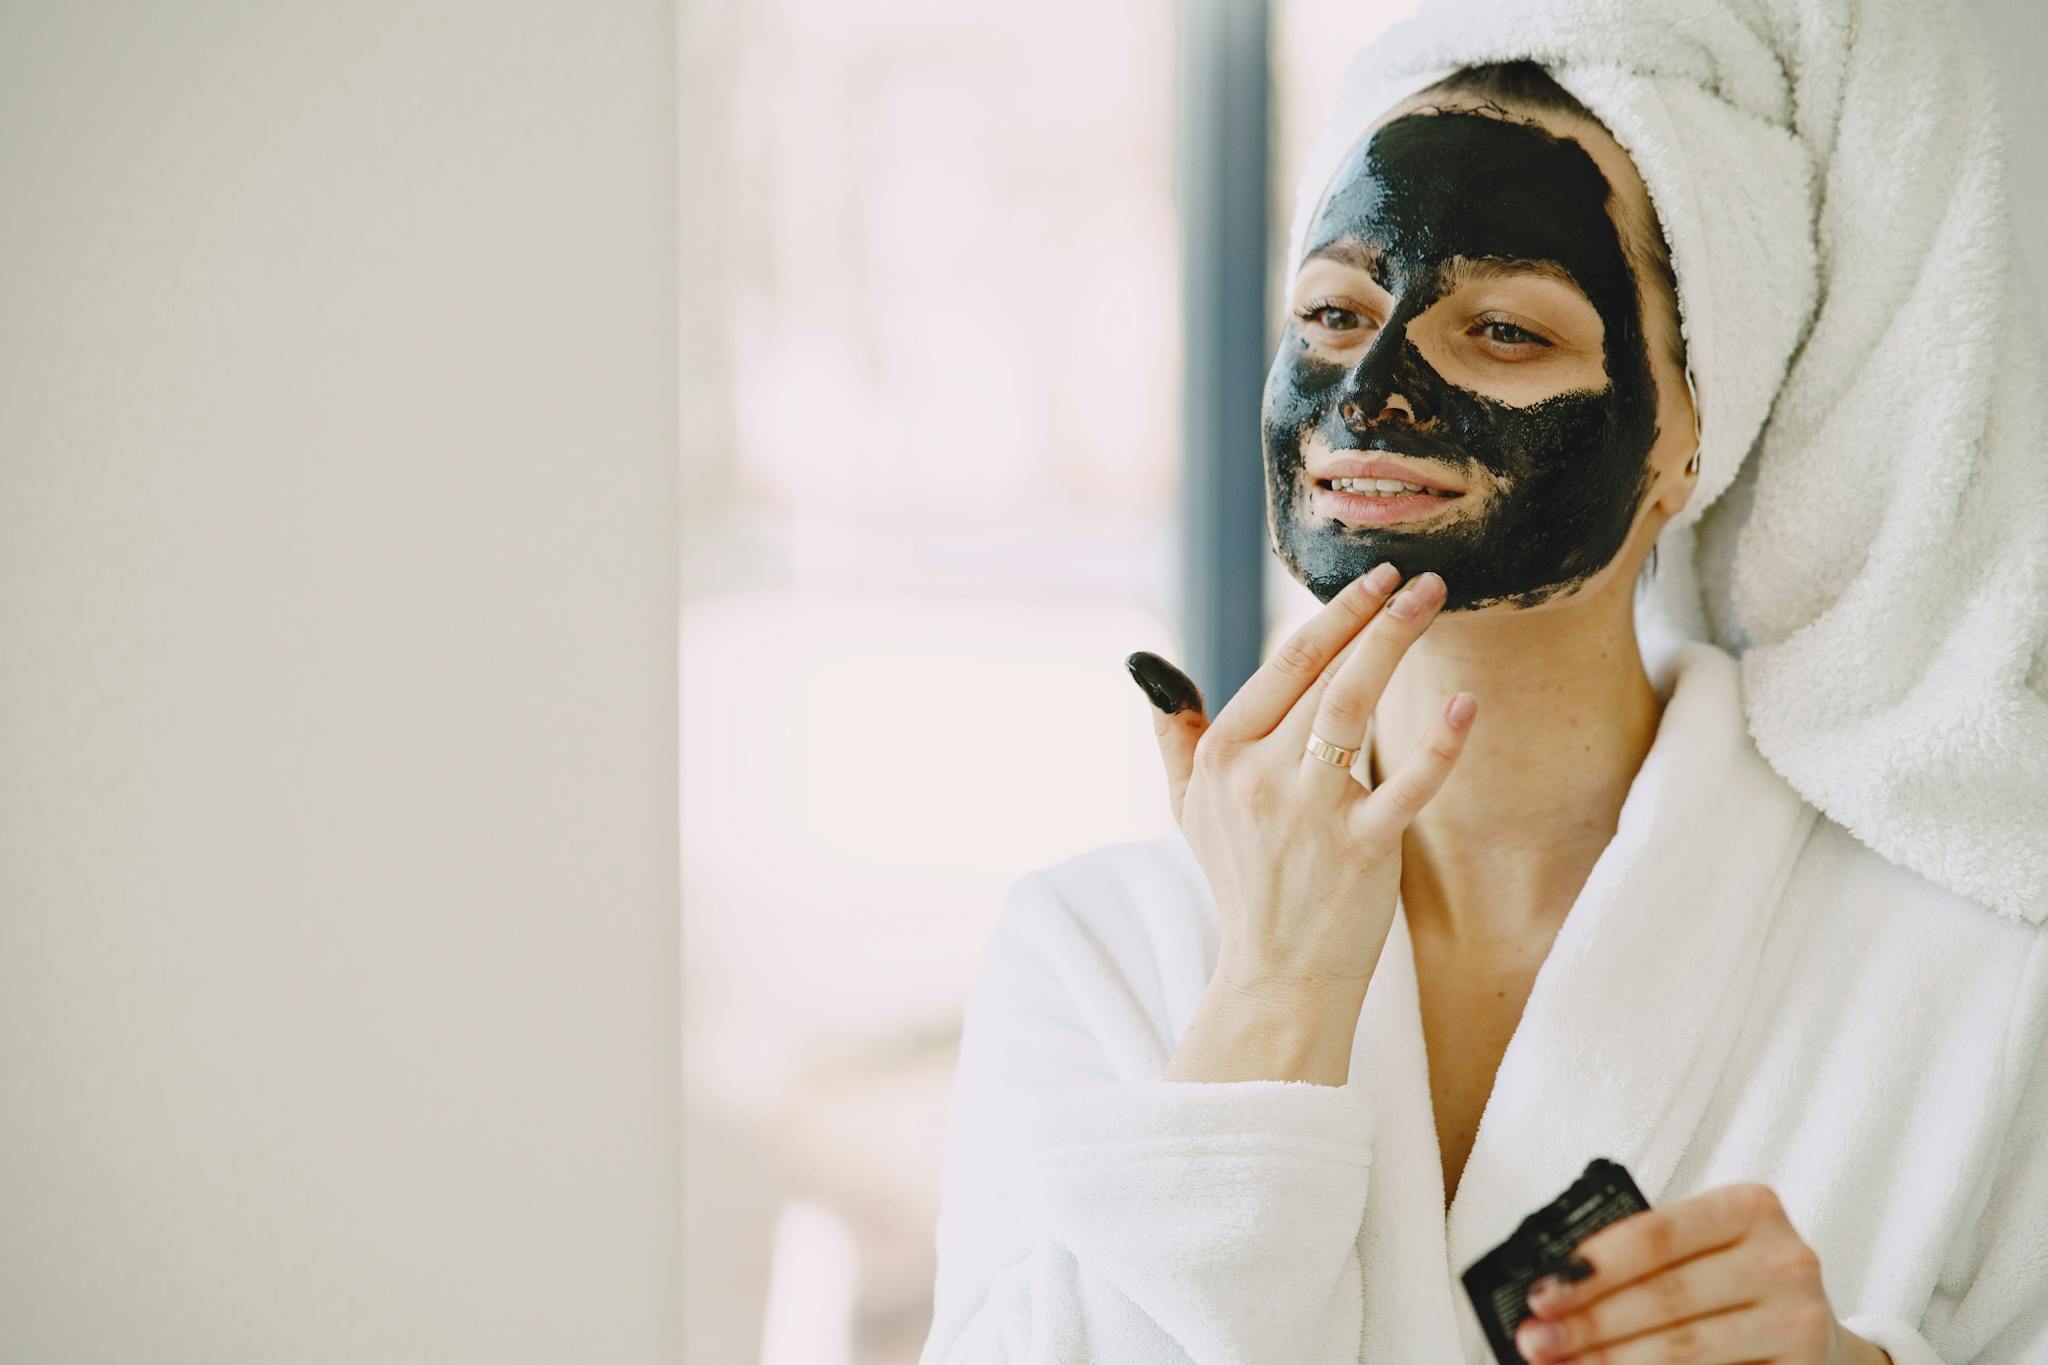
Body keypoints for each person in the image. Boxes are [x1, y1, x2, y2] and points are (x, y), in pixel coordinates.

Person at [919, 40, 2048, 1365]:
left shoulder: (1975, 979)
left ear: (1694, 427)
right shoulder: (1098, 949)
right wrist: (1269, 995)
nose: (1373, 392)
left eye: (1505, 329)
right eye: (1335, 315)